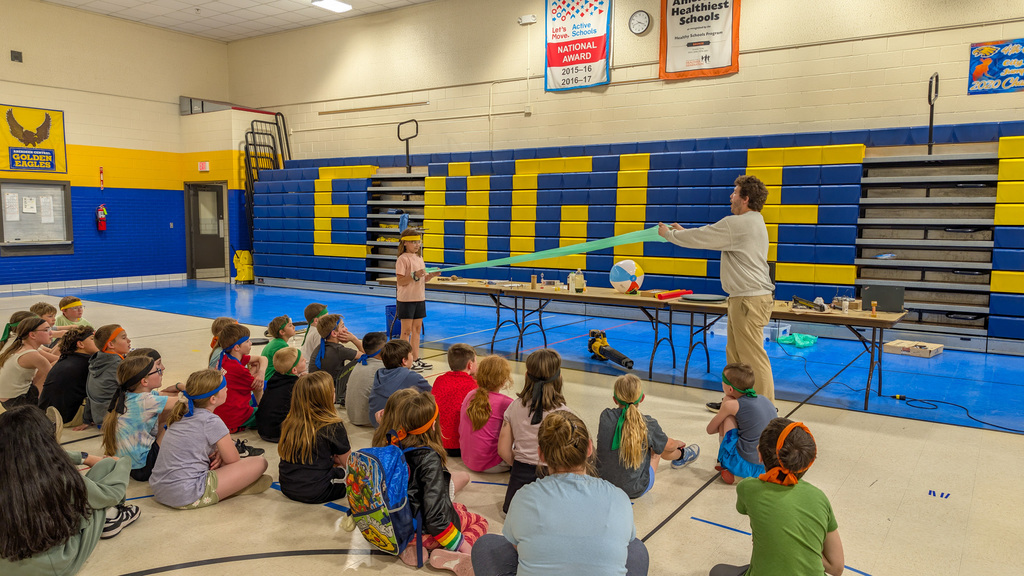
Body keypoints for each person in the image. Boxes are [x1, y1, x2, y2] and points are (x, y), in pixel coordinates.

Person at [472, 411, 649, 576]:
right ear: (589, 448)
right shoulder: (618, 497)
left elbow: (518, 547)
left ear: (540, 454)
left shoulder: (523, 497)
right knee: (637, 549)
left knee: (486, 545)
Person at [658, 174, 776, 406]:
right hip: (742, 299)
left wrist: (670, 235)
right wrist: (683, 231)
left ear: (745, 198)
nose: (730, 196)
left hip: (749, 300)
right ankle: (736, 403)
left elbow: (702, 237)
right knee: (735, 357)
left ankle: (766, 409)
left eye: (734, 192)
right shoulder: (753, 221)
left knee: (752, 357)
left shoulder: (739, 223)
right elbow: (708, 236)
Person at [0, 406, 140, 575]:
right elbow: (111, 494)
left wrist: (83, 457)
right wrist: (122, 463)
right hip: (53, 567)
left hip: (6, 563)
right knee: (105, 474)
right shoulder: (57, 477)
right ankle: (112, 515)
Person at [710, 418, 844, 576]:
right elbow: (837, 568)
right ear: (807, 461)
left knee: (717, 571)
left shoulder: (748, 488)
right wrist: (805, 548)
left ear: (759, 454)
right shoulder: (819, 497)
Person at [371, 389, 486, 574]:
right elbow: (435, 518)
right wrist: (464, 547)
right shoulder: (429, 459)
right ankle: (453, 554)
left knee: (458, 507)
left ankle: (409, 550)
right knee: (479, 521)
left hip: (393, 529)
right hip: (423, 532)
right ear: (433, 425)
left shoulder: (389, 446)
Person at [149, 369, 272, 509]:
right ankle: (232, 488)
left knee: (216, 460)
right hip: (185, 494)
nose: (227, 389)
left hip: (159, 489)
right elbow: (233, 460)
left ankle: (229, 487)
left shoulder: (182, 413)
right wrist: (222, 452)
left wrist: (219, 451)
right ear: (213, 399)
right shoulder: (211, 421)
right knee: (260, 462)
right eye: (224, 387)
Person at [596, 374, 700, 499]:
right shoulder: (647, 424)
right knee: (656, 449)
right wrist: (677, 443)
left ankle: (681, 456)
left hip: (603, 485)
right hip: (634, 489)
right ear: (642, 398)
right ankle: (682, 455)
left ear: (615, 399)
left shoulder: (605, 416)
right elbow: (669, 445)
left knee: (652, 443)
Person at [498, 348, 574, 513]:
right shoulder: (566, 414)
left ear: (526, 376)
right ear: (559, 378)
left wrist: (521, 464)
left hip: (515, 497)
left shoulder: (514, 406)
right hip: (551, 486)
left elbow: (503, 450)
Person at [100, 355, 179, 481]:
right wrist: (182, 386)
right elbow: (186, 402)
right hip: (144, 468)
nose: (161, 372)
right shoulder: (146, 401)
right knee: (176, 417)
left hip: (128, 465)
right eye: (157, 370)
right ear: (144, 381)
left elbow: (165, 394)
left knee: (166, 411)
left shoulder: (127, 394)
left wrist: (176, 388)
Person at [277, 372, 351, 504]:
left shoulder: (289, 422)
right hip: (318, 493)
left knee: (336, 468)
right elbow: (350, 464)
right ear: (326, 398)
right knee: (355, 481)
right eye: (333, 391)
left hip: (287, 487)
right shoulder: (333, 425)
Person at [706, 363, 777, 485]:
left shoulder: (731, 405)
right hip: (768, 464)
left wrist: (724, 405)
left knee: (727, 417)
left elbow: (710, 429)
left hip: (747, 464)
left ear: (730, 389)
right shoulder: (764, 399)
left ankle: (726, 463)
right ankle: (743, 474)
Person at [395, 227, 440, 372]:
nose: (417, 245)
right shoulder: (402, 259)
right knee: (406, 331)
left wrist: (430, 276)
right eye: (413, 242)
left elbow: (421, 279)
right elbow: (401, 281)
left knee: (417, 330)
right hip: (406, 299)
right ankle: (404, 359)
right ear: (405, 243)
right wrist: (415, 274)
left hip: (419, 298)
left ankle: (415, 358)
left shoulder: (419, 258)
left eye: (418, 242)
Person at [459, 355, 514, 473]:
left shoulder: (470, 395)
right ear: (504, 380)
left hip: (467, 459)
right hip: (491, 464)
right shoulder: (506, 403)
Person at [39, 325, 98, 429]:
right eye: (93, 339)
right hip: (67, 418)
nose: (99, 341)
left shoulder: (67, 358)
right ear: (80, 344)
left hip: (46, 415)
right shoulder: (89, 363)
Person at [214, 323, 267, 436]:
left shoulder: (225, 357)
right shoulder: (238, 369)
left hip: (221, 411)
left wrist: (260, 373)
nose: (250, 343)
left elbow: (262, 358)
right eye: (247, 341)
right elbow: (258, 388)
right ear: (237, 347)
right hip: (234, 417)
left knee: (263, 380)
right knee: (276, 415)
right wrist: (265, 412)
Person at [367, 339, 431, 427]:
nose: (412, 356)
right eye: (411, 354)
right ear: (404, 361)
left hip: (377, 422)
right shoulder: (411, 376)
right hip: (397, 427)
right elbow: (432, 394)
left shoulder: (379, 374)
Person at [432, 343, 478, 457]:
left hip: (438, 442)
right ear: (470, 365)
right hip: (459, 446)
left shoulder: (439, 380)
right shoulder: (474, 385)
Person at [0, 316, 54, 410]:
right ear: (32, 335)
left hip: (7, 399)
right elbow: (55, 376)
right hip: (19, 403)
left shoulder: (19, 344)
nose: (51, 333)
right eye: (46, 330)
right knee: (56, 368)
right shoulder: (31, 354)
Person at [256, 347, 307, 443]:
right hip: (280, 433)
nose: (305, 360)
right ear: (294, 370)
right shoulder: (296, 386)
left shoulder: (275, 378)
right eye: (302, 360)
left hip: (262, 429)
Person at [310, 313, 363, 403]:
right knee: (362, 361)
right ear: (334, 333)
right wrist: (354, 339)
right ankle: (340, 396)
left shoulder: (320, 347)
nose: (346, 329)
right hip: (330, 391)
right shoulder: (338, 350)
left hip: (316, 390)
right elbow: (368, 355)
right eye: (343, 326)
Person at [86, 324, 132, 425]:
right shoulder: (118, 365)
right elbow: (136, 390)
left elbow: (90, 392)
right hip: (113, 418)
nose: (129, 340)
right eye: (124, 337)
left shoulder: (96, 360)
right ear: (111, 344)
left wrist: (87, 418)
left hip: (98, 415)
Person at [345, 331, 386, 427]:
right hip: (367, 419)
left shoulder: (361, 362)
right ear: (383, 350)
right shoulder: (382, 367)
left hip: (352, 416)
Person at [261, 314, 295, 380]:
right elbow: (287, 367)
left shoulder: (276, 342)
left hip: (268, 377)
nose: (294, 327)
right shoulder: (281, 345)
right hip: (271, 379)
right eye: (290, 325)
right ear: (282, 332)